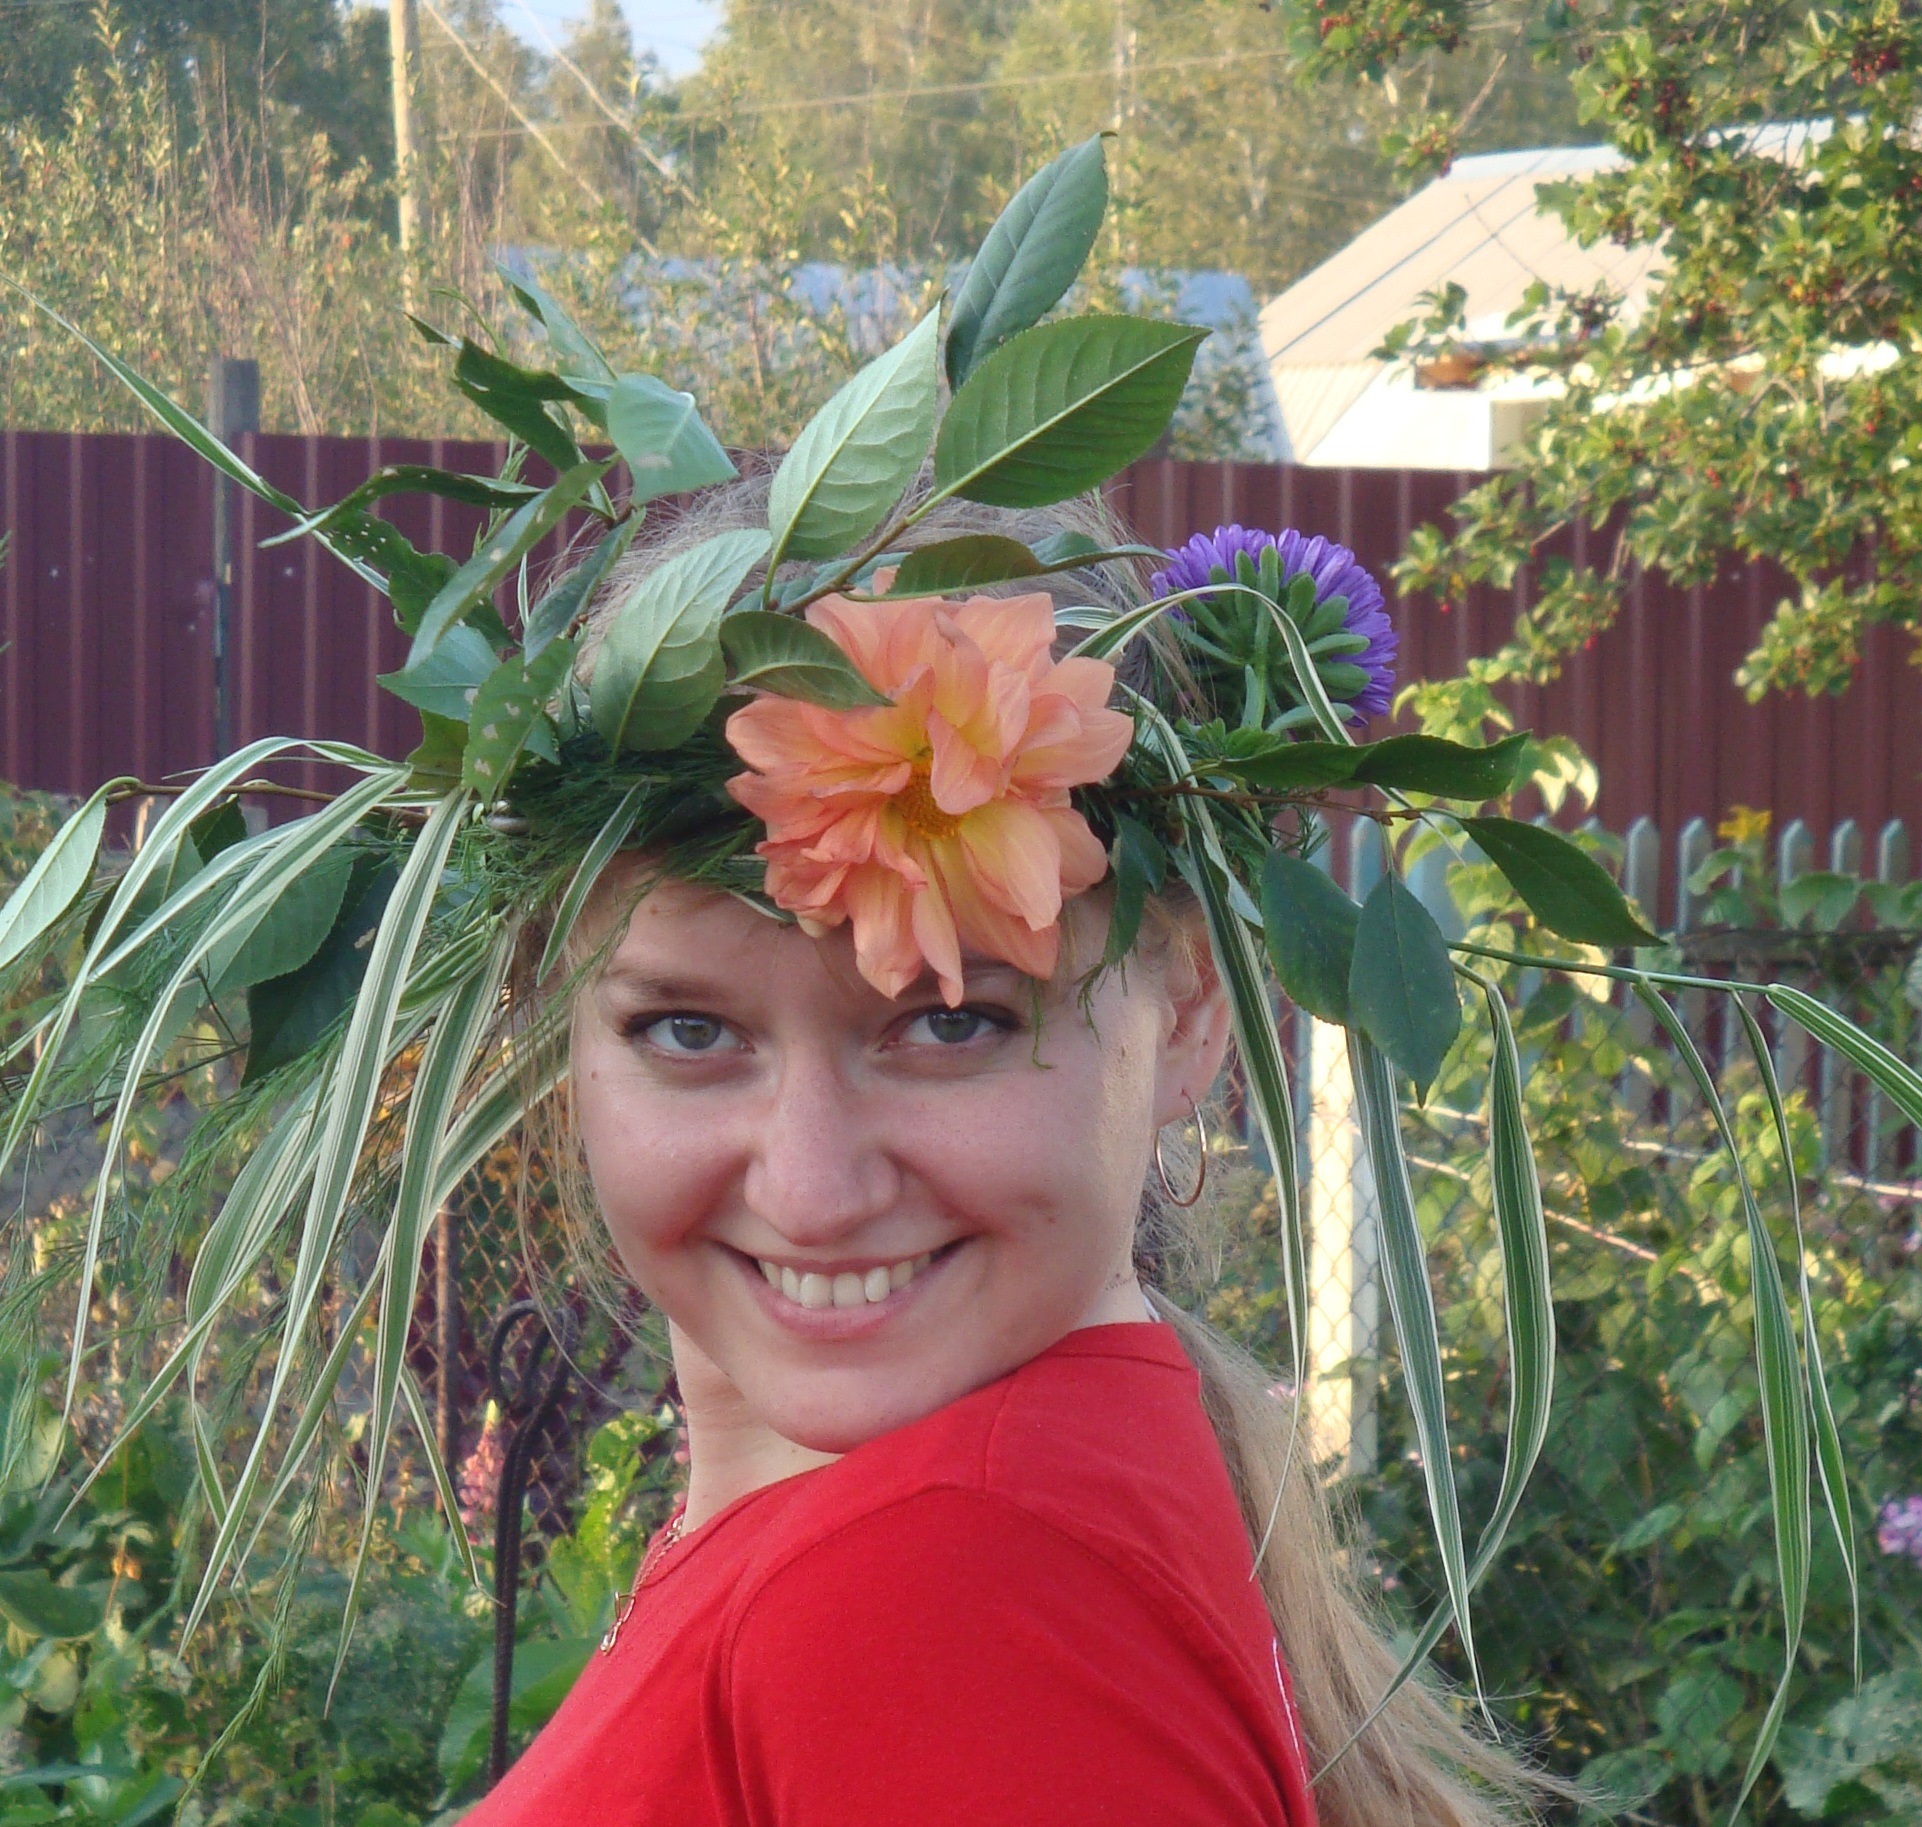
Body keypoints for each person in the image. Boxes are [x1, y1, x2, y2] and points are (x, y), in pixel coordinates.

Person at [460, 482, 1533, 1827]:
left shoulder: (943, 1581)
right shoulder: (960, 1520)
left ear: (1188, 1013)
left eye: (950, 1020)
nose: (810, 1190)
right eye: (688, 1028)